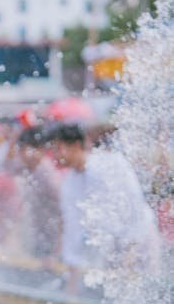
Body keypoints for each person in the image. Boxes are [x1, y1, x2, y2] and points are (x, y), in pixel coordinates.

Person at [51, 123, 161, 293]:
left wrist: (129, 254)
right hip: (113, 248)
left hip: (140, 240)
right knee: (114, 296)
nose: (55, 155)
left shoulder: (108, 165)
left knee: (146, 294)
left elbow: (133, 210)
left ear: (76, 146)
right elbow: (73, 230)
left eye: (59, 148)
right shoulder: (70, 184)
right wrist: (72, 284)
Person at [14, 126, 62, 260]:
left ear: (41, 150)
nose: (24, 154)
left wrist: (57, 252)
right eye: (21, 149)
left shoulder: (48, 175)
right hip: (36, 236)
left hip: (52, 240)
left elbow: (65, 212)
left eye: (28, 149)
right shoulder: (26, 169)